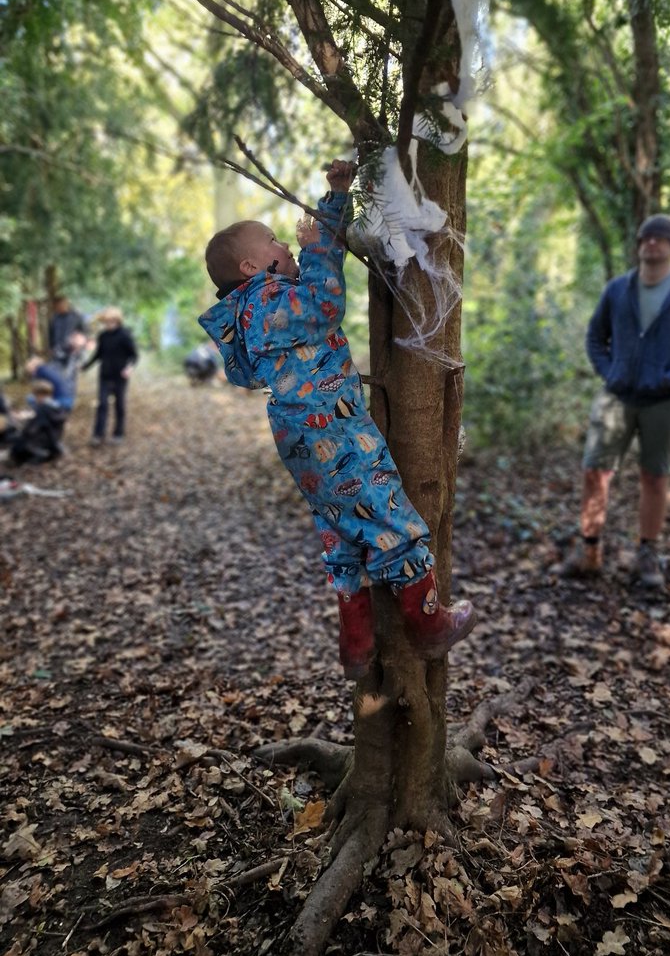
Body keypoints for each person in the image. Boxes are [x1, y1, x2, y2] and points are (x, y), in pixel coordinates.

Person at [198, 159, 476, 679]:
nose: (287, 245)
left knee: (340, 531)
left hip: (299, 439)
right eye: (277, 242)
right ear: (253, 270)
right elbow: (325, 301)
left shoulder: (248, 314)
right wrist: (326, 225)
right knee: (386, 513)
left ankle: (357, 644)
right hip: (333, 429)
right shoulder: (268, 303)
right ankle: (429, 626)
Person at [563, 213, 670, 591]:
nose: (652, 243)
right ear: (639, 244)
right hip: (616, 397)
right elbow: (596, 337)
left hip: (663, 401)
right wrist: (609, 371)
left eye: (660, 238)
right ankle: (589, 551)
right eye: (646, 238)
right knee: (595, 471)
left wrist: (667, 378)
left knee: (655, 476)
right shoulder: (617, 290)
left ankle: (647, 553)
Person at [81, 307, 138, 445]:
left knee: (119, 404)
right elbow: (98, 354)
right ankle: (98, 435)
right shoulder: (103, 336)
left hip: (120, 376)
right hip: (105, 375)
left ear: (117, 321)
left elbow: (134, 355)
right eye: (105, 322)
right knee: (102, 404)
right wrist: (86, 366)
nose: (108, 324)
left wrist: (129, 368)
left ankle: (118, 434)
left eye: (110, 321)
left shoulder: (125, 335)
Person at [10, 379, 66, 465]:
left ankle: (41, 454)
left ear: (40, 395)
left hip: (43, 442)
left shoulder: (42, 408)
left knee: (17, 447)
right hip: (54, 439)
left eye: (35, 396)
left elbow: (31, 429)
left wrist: (21, 429)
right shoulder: (57, 406)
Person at [48, 296, 87, 367]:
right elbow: (51, 333)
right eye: (56, 306)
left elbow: (84, 332)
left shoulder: (76, 316)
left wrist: (79, 344)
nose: (58, 308)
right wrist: (51, 347)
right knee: (57, 373)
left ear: (66, 304)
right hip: (58, 350)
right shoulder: (54, 318)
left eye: (60, 305)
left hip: (72, 351)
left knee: (70, 374)